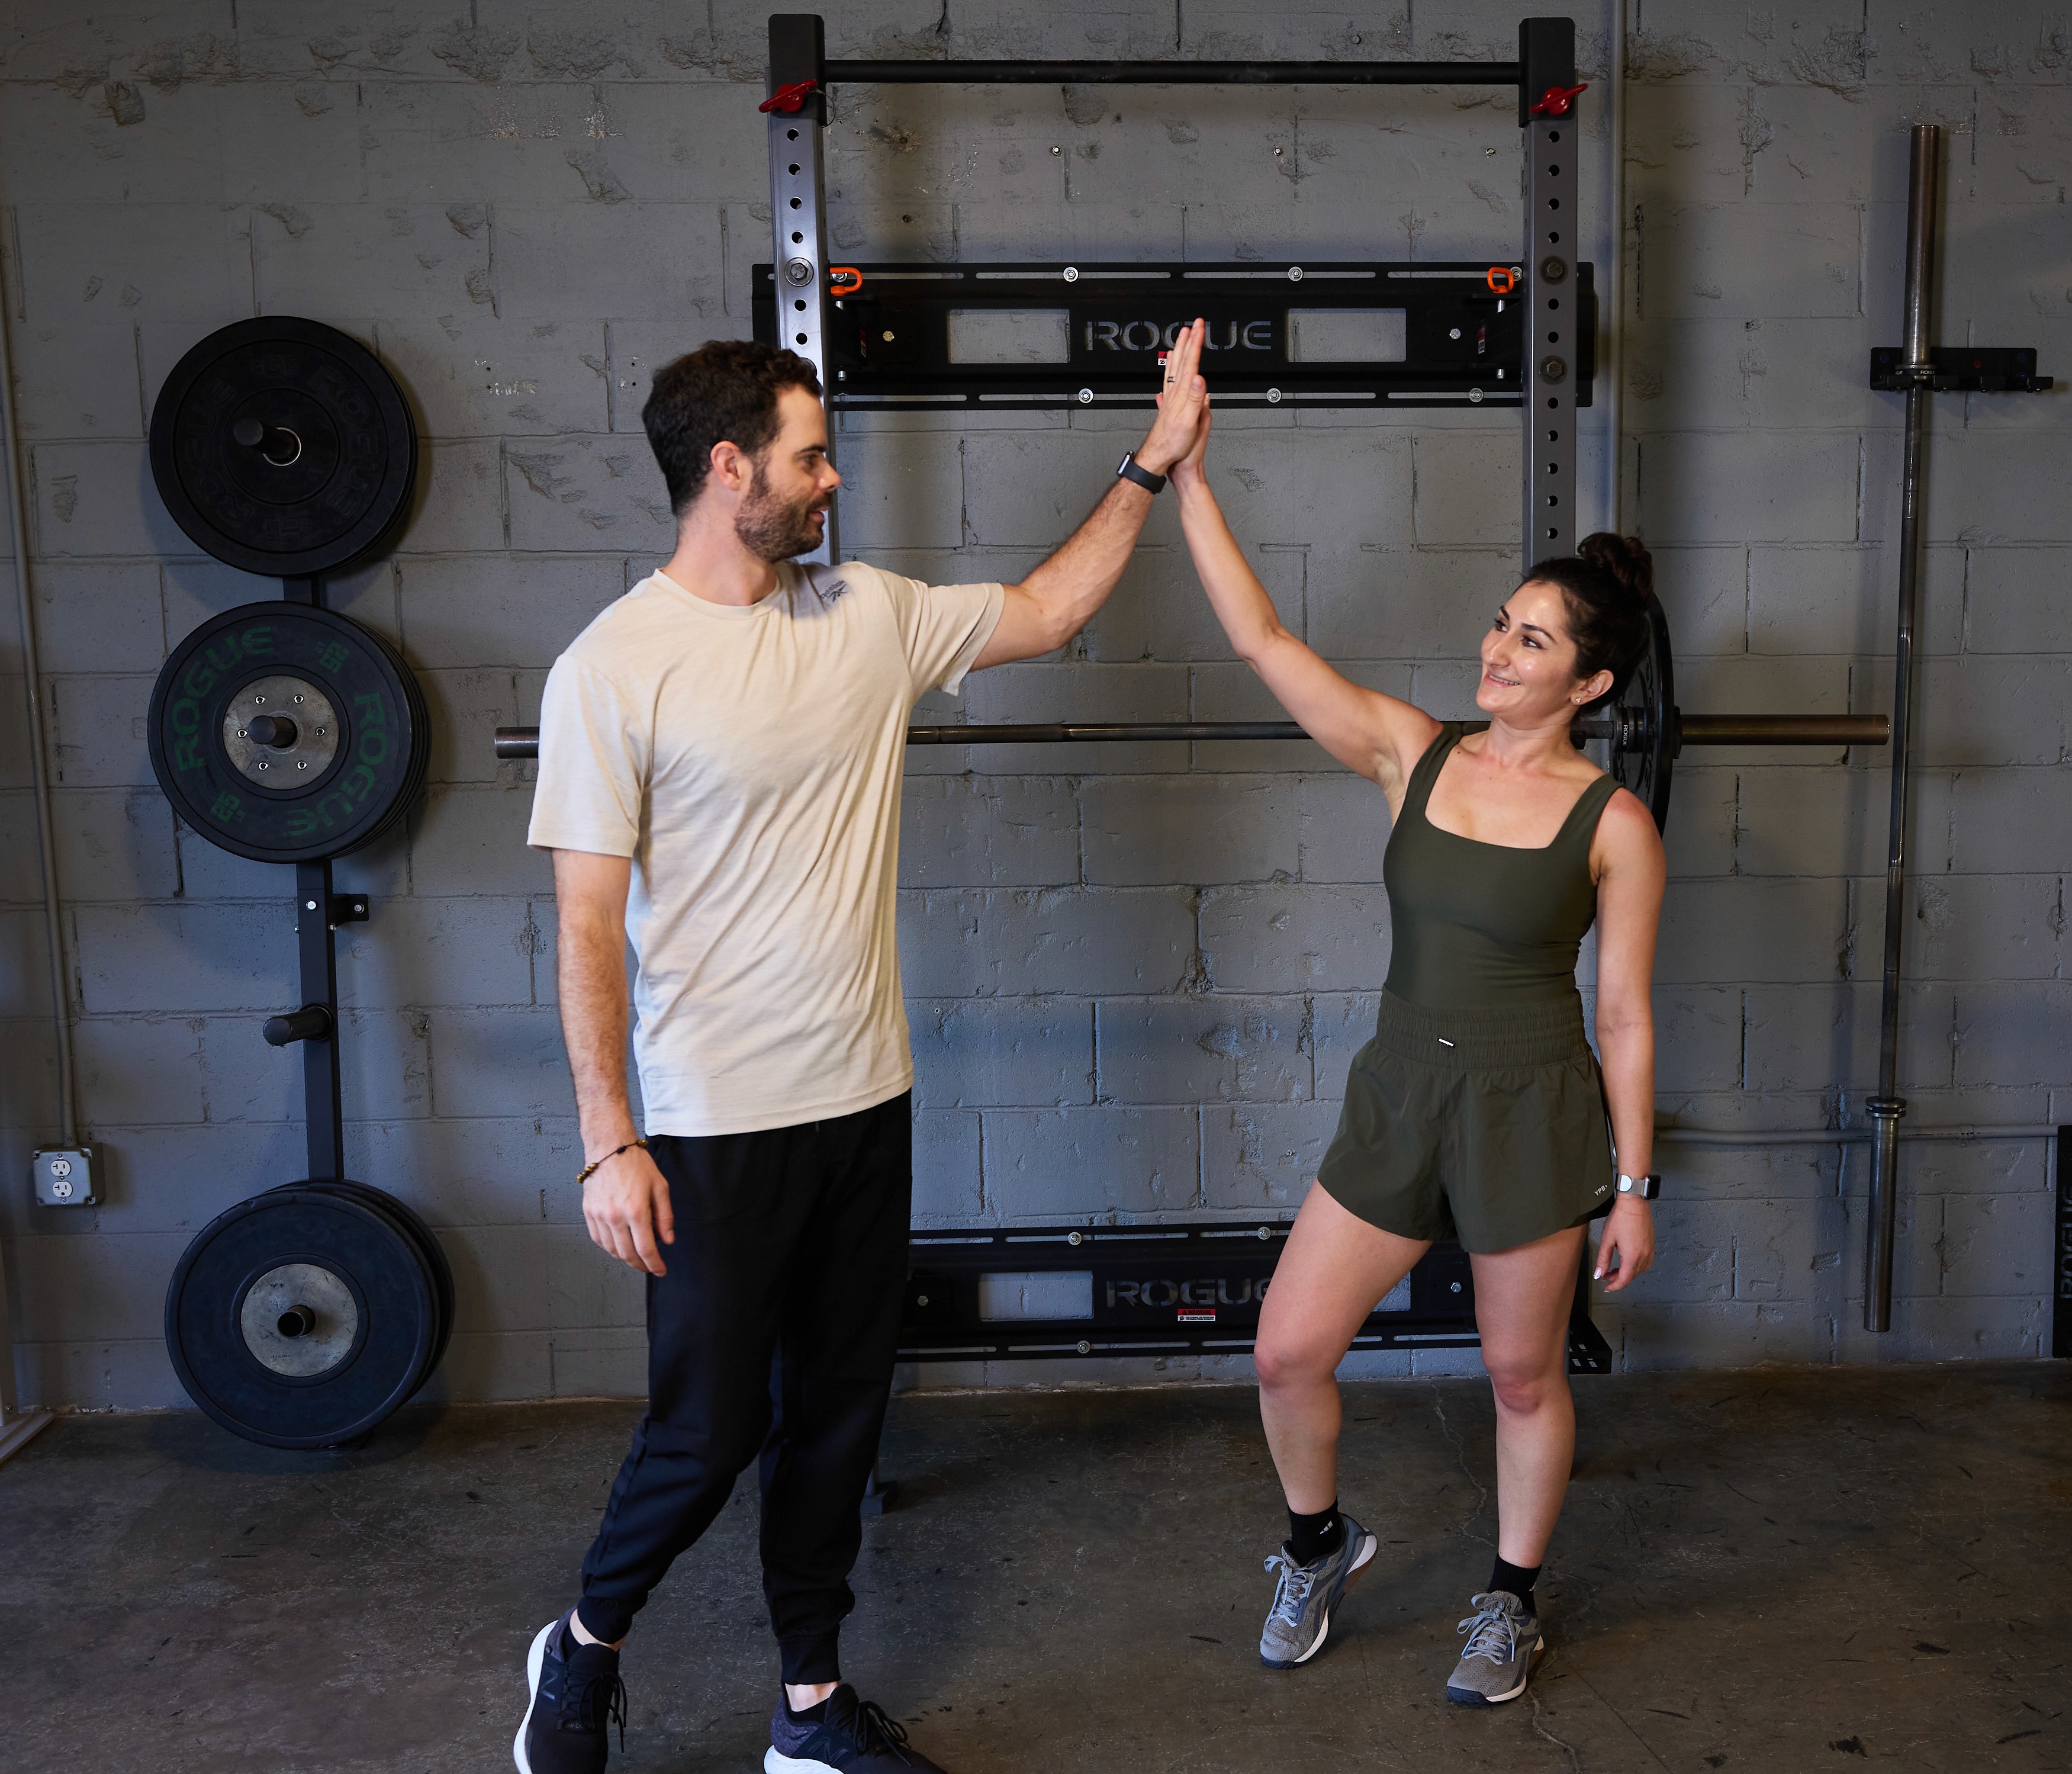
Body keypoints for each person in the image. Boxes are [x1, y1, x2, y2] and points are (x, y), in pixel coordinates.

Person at [512, 322, 1209, 1774]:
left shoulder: (868, 615)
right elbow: (583, 926)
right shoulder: (614, 667)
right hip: (708, 1123)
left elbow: (1045, 610)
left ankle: (808, 1708)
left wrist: (1152, 458)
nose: (832, 479)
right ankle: (581, 1650)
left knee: (836, 1419)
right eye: (809, 455)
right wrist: (606, 1133)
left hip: (863, 1100)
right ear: (728, 468)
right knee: (703, 1434)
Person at [1167, 406, 1665, 1705]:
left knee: (1516, 1372)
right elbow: (1262, 639)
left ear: (1590, 684)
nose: (1499, 648)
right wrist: (1189, 475)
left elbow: (1622, 1014)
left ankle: (1508, 1602)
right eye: (1504, 622)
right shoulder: (1412, 750)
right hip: (1402, 1090)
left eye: (1534, 639)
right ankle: (1317, 1546)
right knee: (1286, 1348)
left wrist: (1635, 1181)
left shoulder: (1612, 823)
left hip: (1531, 1105)